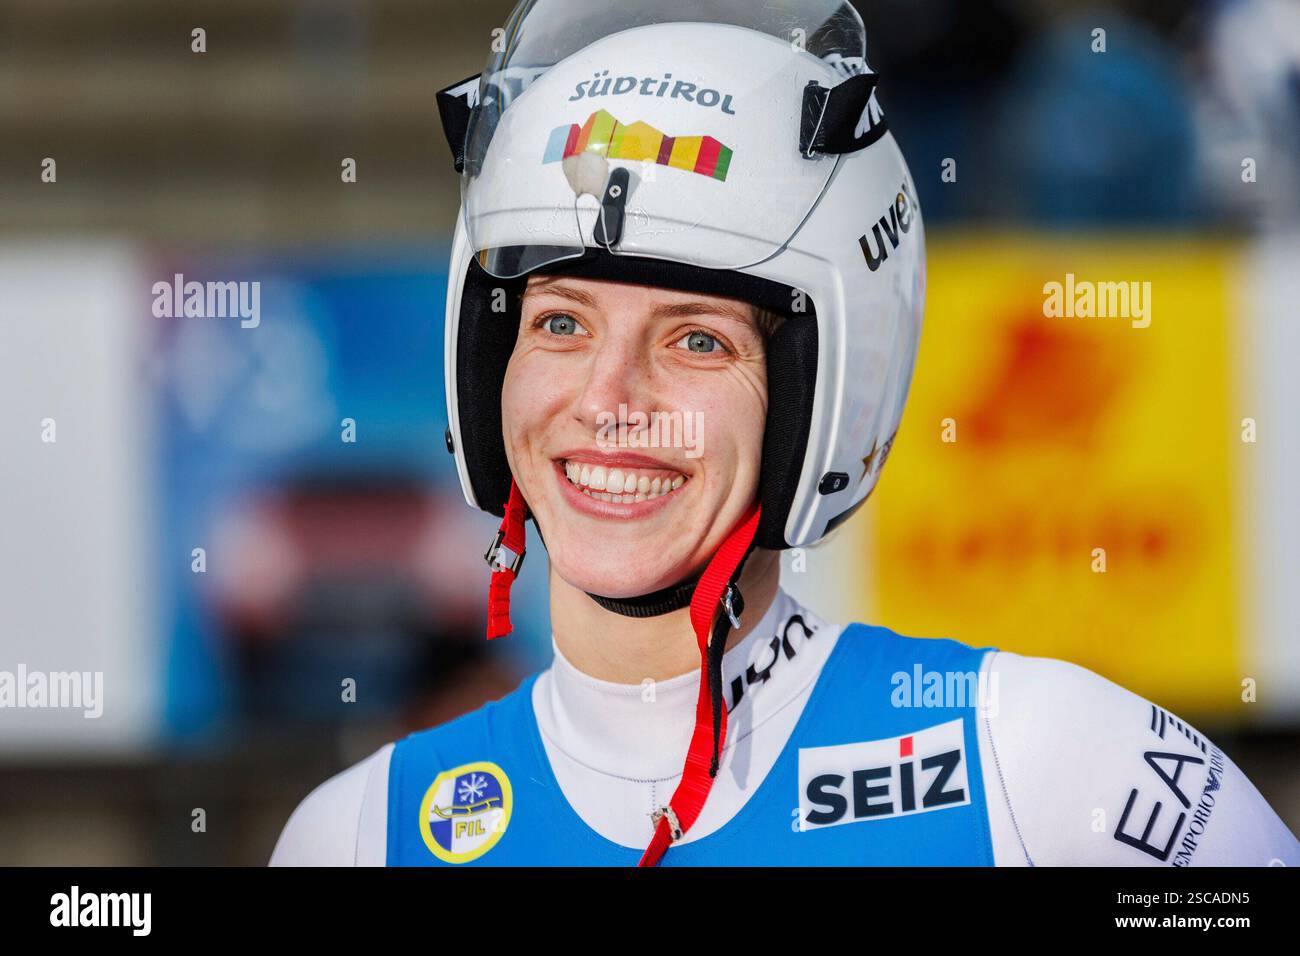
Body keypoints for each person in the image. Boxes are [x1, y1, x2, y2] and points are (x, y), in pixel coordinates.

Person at [270, 0, 1300, 867]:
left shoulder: (1048, 761)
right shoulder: (356, 835)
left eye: (698, 341)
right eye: (561, 321)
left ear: (821, 395)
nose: (610, 395)